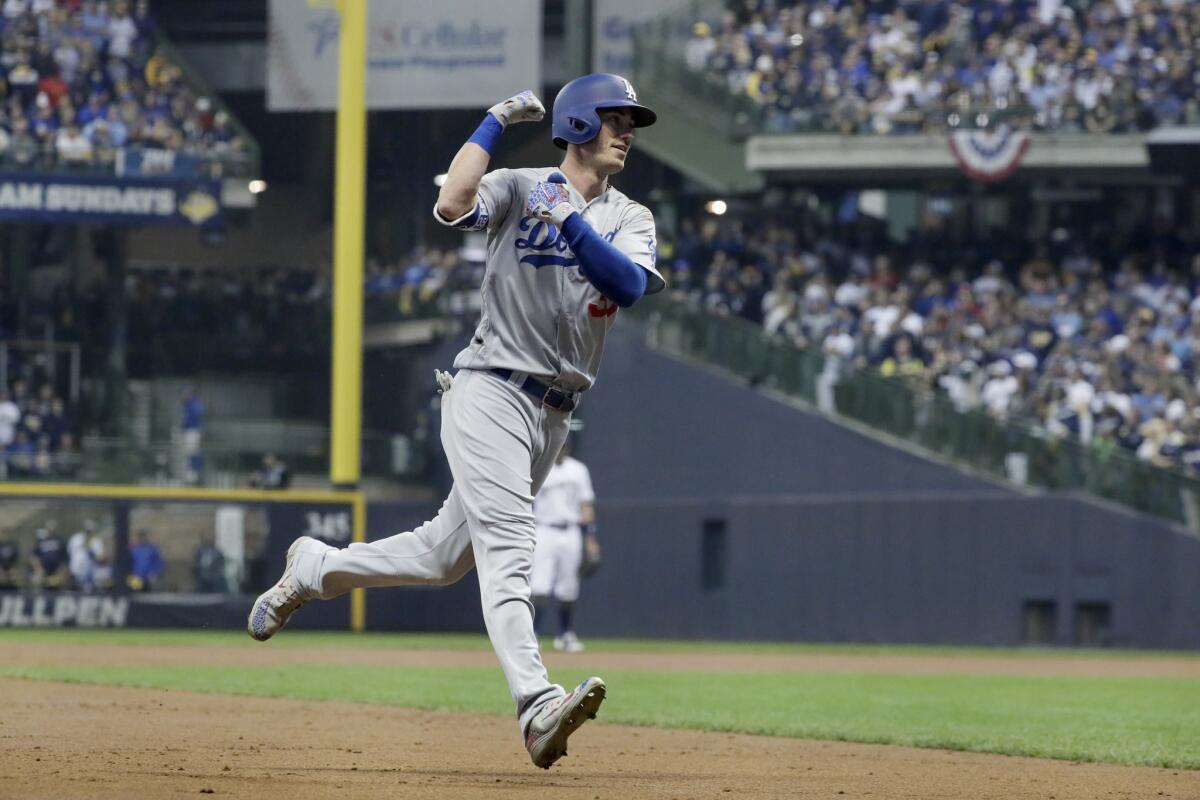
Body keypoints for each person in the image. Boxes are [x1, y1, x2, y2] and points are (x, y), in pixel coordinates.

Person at [248, 73, 664, 770]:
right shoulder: (520, 185)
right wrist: (494, 122)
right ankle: (536, 704)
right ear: (580, 124)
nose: (627, 132)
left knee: (443, 557)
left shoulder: (632, 216)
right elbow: (451, 202)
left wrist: (568, 218)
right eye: (615, 118)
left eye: (631, 122)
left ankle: (317, 568)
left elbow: (625, 285)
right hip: (490, 389)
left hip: (554, 415)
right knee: (509, 546)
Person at [531, 439, 600, 653]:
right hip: (544, 529)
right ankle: (532, 635)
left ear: (567, 449)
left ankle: (566, 634)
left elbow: (585, 504)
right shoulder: (539, 467)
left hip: (570, 530)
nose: (561, 450)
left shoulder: (578, 470)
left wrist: (590, 538)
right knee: (539, 587)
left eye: (564, 447)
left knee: (568, 587)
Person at [30, 525, 68, 589]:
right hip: (43, 570)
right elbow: (33, 556)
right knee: (36, 580)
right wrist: (38, 568)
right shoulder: (41, 541)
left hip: (57, 571)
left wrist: (62, 571)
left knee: (63, 579)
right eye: (49, 529)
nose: (51, 531)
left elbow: (65, 558)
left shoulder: (60, 541)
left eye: (53, 529)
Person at [180, 387, 204, 485]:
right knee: (188, 452)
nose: (184, 396)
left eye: (186, 394)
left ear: (190, 395)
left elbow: (195, 416)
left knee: (193, 451)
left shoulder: (195, 404)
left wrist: (185, 423)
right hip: (189, 431)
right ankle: (190, 474)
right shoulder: (188, 405)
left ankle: (194, 475)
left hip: (194, 431)